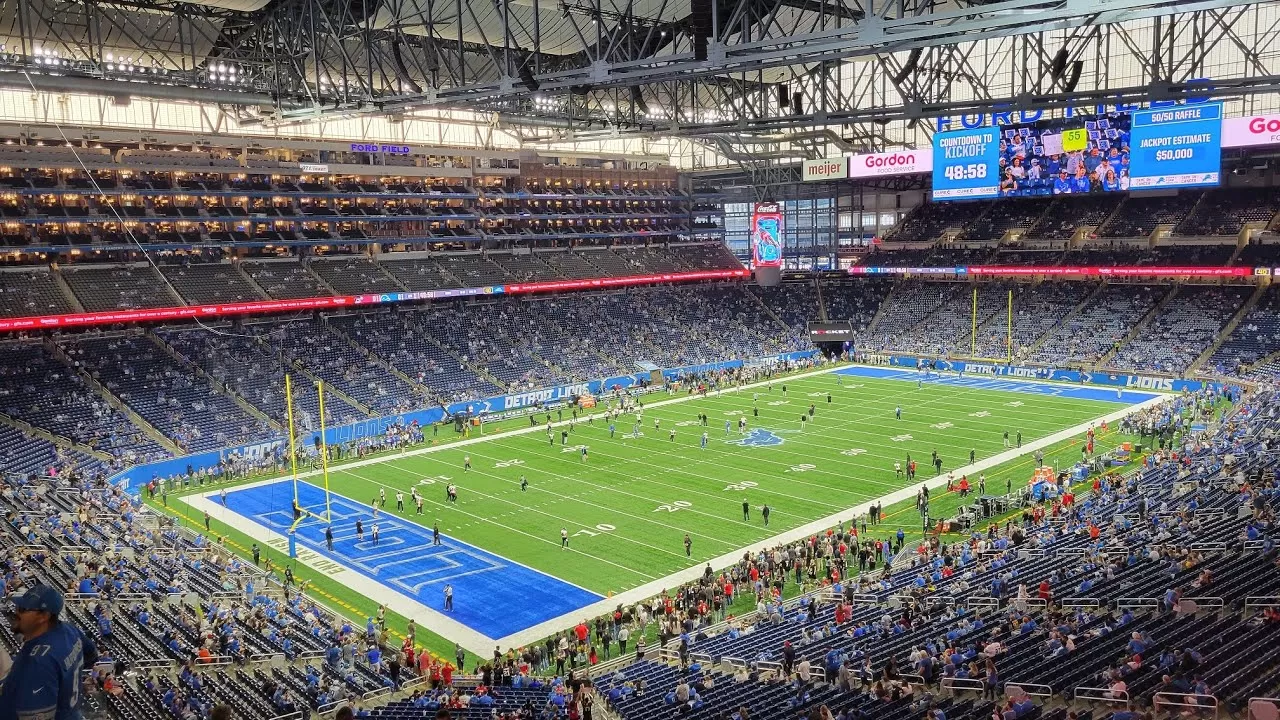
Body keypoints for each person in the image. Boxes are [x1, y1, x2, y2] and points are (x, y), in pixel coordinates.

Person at [0, 585, 97, 720]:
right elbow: (91, 655)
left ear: (43, 616)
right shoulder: (69, 630)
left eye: (22, 609)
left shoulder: (37, 662)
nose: (15, 612)